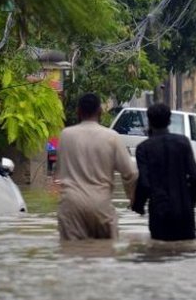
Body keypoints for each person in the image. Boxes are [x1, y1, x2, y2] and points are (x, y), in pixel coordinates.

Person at [56, 93, 138, 240]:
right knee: (105, 254)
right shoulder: (112, 137)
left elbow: (59, 173)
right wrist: (133, 201)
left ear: (78, 112)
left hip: (71, 205)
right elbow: (130, 173)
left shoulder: (65, 135)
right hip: (101, 204)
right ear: (100, 111)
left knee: (71, 256)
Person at [131, 103, 196, 241]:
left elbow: (144, 183)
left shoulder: (144, 148)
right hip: (184, 213)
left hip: (159, 212)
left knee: (159, 254)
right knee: (186, 254)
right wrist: (190, 202)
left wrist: (138, 206)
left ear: (149, 121)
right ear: (169, 121)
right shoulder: (183, 142)